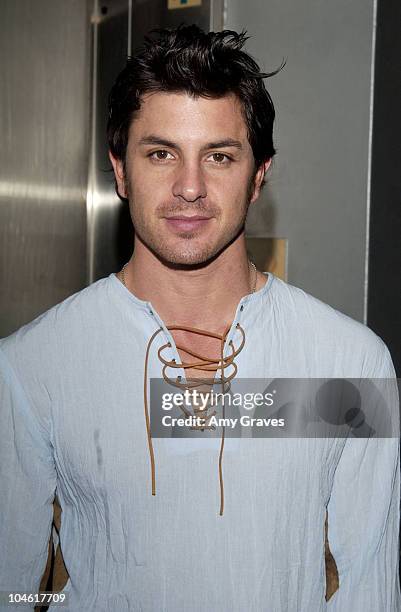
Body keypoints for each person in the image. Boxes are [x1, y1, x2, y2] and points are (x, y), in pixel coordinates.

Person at [0, 24, 399, 612]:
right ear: (119, 168)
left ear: (259, 173)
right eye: (161, 153)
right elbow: (13, 587)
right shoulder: (29, 367)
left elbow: (371, 588)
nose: (189, 187)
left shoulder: (355, 362)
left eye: (219, 156)